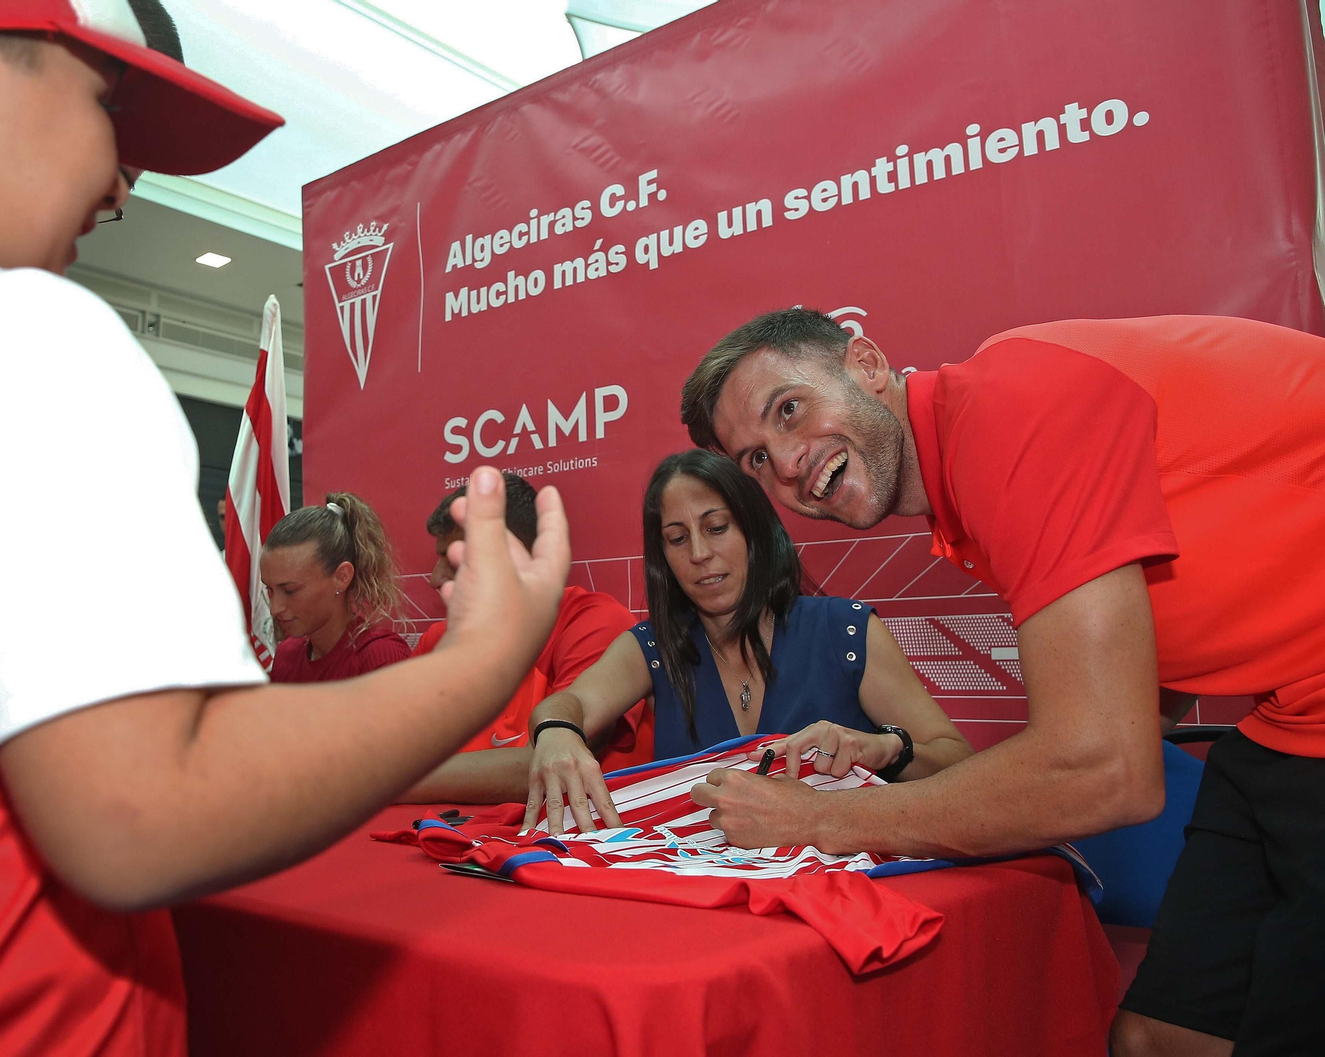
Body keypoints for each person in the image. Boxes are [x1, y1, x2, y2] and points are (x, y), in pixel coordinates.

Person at [0, 3, 570, 1053]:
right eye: (109, 109)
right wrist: (483, 657)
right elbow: (135, 812)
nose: (126, 182)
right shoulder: (7, 334)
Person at [680, 306, 1325, 1056]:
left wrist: (815, 819)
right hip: (1288, 724)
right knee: (1153, 1037)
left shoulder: (1009, 406)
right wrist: (901, 754)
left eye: (789, 410)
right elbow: (1127, 691)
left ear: (866, 363)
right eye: (756, 458)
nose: (787, 464)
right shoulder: (969, 470)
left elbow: (1108, 771)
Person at [523, 450, 971, 834]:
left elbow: (957, 765)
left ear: (755, 532)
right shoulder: (655, 649)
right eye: (677, 539)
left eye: (716, 528)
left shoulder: (845, 632)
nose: (698, 553)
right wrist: (558, 732)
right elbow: (571, 703)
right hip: (714, 906)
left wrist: (887, 749)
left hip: (847, 897)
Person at [401, 473, 650, 803]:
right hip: (443, 839)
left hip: (571, 847)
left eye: (453, 558)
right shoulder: (438, 641)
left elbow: (549, 766)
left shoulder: (592, 621)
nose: (435, 578)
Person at [261, 492, 412, 681]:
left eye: (290, 591)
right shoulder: (286, 655)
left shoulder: (381, 656)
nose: (275, 608)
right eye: (269, 590)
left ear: (342, 577)